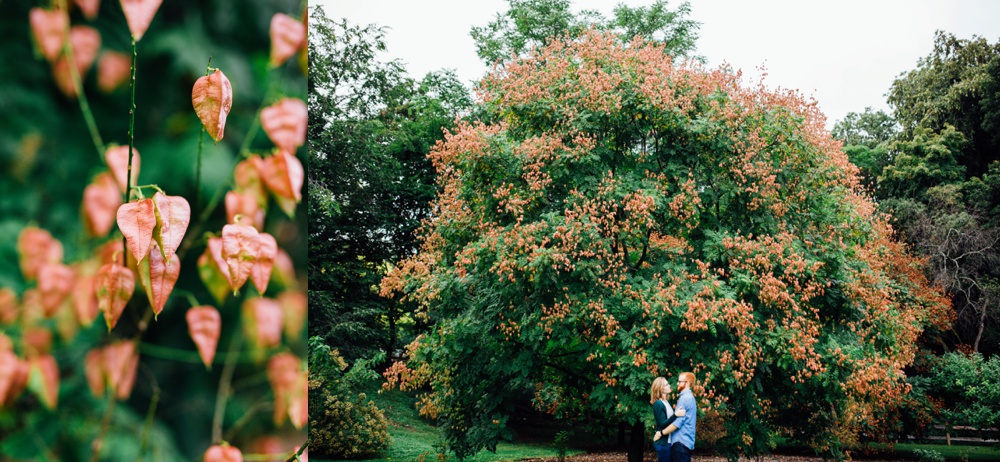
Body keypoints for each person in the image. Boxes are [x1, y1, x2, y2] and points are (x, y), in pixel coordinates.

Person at [656, 372, 697, 462]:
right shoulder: (690, 397)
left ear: (688, 383)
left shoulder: (684, 399)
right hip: (686, 443)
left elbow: (677, 424)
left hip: (680, 443)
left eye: (680, 381)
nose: (677, 383)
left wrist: (661, 433)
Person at [649, 376, 685, 462]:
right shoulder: (658, 403)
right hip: (663, 443)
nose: (669, 386)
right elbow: (662, 424)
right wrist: (675, 415)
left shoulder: (666, 402)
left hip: (668, 442)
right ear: (660, 388)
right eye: (666, 385)